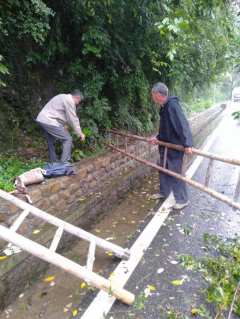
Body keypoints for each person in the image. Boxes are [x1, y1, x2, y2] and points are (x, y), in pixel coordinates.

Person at [150, 82, 194, 210]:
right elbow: (166, 128)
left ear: (157, 94)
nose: (152, 97)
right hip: (165, 146)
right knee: (163, 169)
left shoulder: (172, 105)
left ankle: (182, 199)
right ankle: (164, 192)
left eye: (152, 94)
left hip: (174, 147)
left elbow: (182, 123)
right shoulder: (164, 106)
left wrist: (188, 143)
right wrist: (158, 138)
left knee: (175, 173)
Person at [36, 89, 85, 167]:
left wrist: (64, 126)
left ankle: (53, 163)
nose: (78, 103)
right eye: (78, 101)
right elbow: (73, 119)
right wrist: (80, 134)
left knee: (51, 141)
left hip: (41, 120)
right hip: (48, 121)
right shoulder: (69, 101)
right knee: (68, 139)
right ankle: (65, 162)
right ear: (75, 98)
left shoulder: (62, 96)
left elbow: (58, 113)